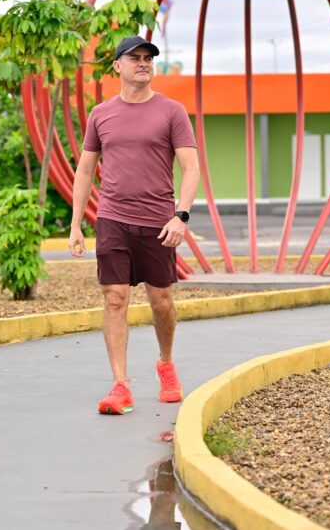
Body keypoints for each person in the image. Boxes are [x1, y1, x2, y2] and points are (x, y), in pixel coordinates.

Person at [68, 35, 200, 416]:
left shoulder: (172, 111)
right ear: (117, 67)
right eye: (134, 58)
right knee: (114, 299)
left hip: (159, 222)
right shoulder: (101, 114)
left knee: (161, 301)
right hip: (112, 219)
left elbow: (190, 167)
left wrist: (182, 215)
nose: (143, 63)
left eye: (148, 58)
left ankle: (166, 364)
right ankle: (120, 385)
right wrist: (77, 224)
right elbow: (86, 169)